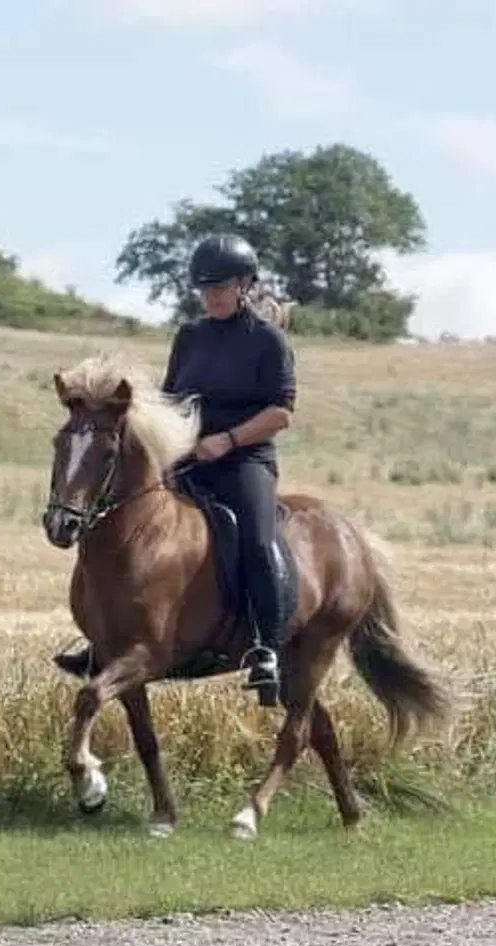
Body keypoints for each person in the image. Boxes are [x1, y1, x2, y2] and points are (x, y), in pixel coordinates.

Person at [53, 233, 297, 699]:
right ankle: (107, 639)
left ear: (245, 285)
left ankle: (266, 648)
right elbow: (170, 399)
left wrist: (226, 440)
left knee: (259, 539)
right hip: (189, 456)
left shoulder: (268, 341)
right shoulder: (190, 336)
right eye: (204, 289)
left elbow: (281, 413)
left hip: (245, 459)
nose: (211, 296)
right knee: (124, 519)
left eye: (220, 287)